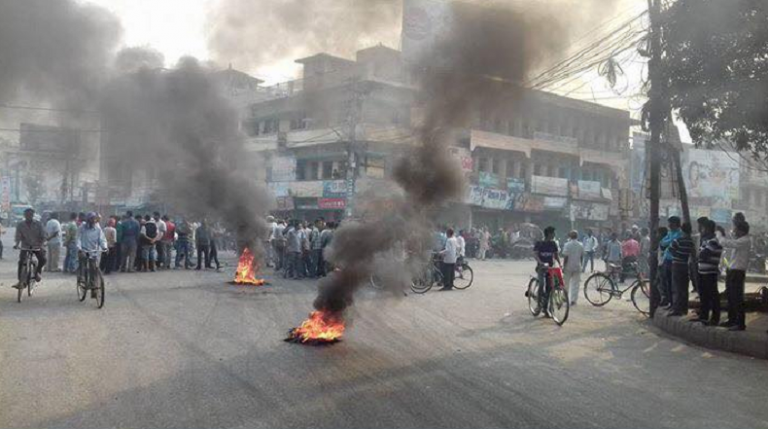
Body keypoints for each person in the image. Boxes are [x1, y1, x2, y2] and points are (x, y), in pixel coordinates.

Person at [717, 220, 751, 331]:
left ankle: (740, 323)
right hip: (732, 271)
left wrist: (719, 235)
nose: (734, 231)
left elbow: (727, 243)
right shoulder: (741, 239)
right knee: (731, 297)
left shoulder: (744, 241)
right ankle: (732, 320)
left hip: (737, 272)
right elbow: (732, 238)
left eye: (735, 229)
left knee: (737, 298)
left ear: (741, 231)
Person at [694, 219, 722, 326]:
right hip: (703, 271)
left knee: (713, 296)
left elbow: (703, 254)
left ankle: (715, 318)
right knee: (704, 295)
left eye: (703, 228)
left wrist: (699, 255)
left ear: (708, 229)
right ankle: (703, 316)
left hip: (710, 272)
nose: (701, 230)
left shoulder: (714, 241)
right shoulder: (706, 240)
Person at [13, 208, 47, 286]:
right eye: (27, 215)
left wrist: (41, 244)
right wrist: (17, 244)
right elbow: (18, 236)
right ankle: (20, 281)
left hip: (37, 246)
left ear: (33, 215)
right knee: (21, 261)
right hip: (25, 246)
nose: (28, 216)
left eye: (30, 215)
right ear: (24, 215)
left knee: (43, 259)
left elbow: (43, 236)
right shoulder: (20, 225)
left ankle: (37, 272)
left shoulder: (38, 224)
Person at [76, 212, 108, 297]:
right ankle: (81, 278)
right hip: (83, 249)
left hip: (93, 251)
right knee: (82, 262)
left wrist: (104, 247)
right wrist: (79, 248)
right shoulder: (82, 228)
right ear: (87, 220)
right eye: (90, 219)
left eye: (94, 219)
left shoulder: (98, 229)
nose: (92, 221)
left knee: (94, 268)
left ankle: (94, 288)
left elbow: (102, 239)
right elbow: (78, 238)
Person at [533, 226, 561, 316]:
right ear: (549, 234)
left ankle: (545, 308)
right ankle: (538, 305)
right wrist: (541, 262)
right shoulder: (539, 243)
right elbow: (535, 255)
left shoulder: (553, 244)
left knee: (550, 287)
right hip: (541, 268)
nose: (554, 235)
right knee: (542, 284)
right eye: (553, 233)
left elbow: (556, 256)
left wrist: (560, 264)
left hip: (551, 268)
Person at [668, 222, 694, 317]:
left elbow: (671, 250)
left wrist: (677, 255)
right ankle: (684, 308)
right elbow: (692, 253)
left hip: (677, 265)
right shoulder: (690, 242)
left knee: (677, 287)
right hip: (685, 265)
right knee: (684, 287)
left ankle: (677, 309)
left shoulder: (678, 240)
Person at [659, 216, 682, 308]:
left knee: (674, 284)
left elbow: (669, 242)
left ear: (675, 223)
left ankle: (675, 303)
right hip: (666, 259)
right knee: (667, 282)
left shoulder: (679, 234)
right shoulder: (670, 233)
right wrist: (669, 242)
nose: (669, 225)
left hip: (675, 261)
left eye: (670, 223)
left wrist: (668, 242)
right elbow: (663, 242)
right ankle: (670, 302)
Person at [562, 230, 584, 306]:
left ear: (570, 236)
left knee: (566, 283)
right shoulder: (580, 245)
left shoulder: (567, 245)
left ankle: (565, 298)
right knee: (576, 284)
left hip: (568, 266)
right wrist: (581, 265)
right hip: (577, 266)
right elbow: (581, 256)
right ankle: (573, 300)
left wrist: (563, 266)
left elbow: (566, 257)